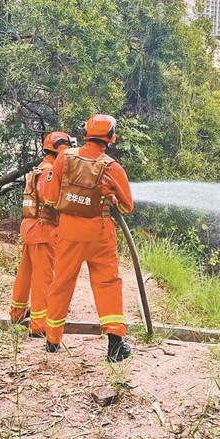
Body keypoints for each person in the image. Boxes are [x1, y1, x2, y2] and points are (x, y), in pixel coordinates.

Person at [44, 114, 133, 362]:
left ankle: (52, 341)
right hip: (100, 234)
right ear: (111, 137)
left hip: (69, 231)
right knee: (107, 284)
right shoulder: (112, 167)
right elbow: (127, 207)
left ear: (86, 133)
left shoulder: (64, 157)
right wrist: (110, 198)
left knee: (61, 282)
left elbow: (51, 199)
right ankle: (115, 346)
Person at [9, 131, 74, 337]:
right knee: (43, 277)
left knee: (25, 273)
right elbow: (52, 201)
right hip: (43, 229)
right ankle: (39, 324)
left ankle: (17, 313)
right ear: (61, 148)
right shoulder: (50, 173)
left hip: (30, 227)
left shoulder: (39, 169)